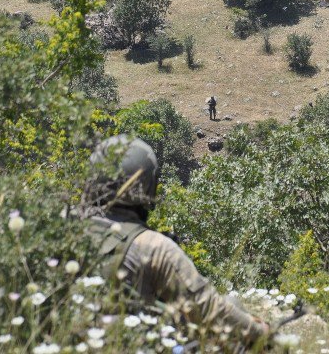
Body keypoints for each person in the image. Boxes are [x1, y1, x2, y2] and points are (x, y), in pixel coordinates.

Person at [83, 136, 270, 349]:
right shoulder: (152, 246)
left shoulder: (60, 228)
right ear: (148, 184)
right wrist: (263, 333)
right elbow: (209, 309)